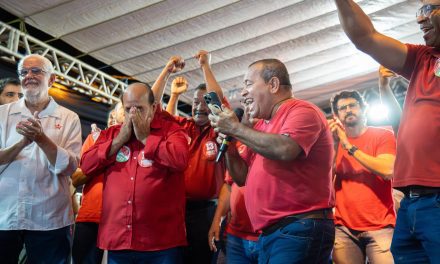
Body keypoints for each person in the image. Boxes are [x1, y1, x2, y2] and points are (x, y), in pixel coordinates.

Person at [334, 1, 440, 262]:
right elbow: (365, 38)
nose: (420, 20)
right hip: (411, 203)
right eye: (419, 12)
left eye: (429, 10)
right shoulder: (423, 59)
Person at [209, 59, 335, 263]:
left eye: (248, 84)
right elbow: (242, 178)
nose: (242, 93)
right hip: (272, 233)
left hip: (298, 227)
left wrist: (235, 128)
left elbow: (286, 149)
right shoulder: (261, 127)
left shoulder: (302, 111)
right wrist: (231, 148)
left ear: (273, 85)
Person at [80, 82, 189, 264]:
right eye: (129, 108)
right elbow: (86, 165)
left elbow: (180, 160)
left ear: (153, 108)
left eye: (139, 108)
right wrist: (119, 140)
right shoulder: (112, 133)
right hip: (119, 240)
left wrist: (146, 138)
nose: (133, 114)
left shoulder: (171, 131)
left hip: (161, 242)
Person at [0, 54, 82, 263]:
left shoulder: (69, 118)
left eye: (36, 71)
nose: (29, 76)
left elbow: (71, 167)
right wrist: (21, 144)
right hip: (5, 214)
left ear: (52, 79)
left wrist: (41, 139)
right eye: (24, 72)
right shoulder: (2, 114)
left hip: (50, 218)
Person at [154, 50, 228, 264]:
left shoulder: (217, 130)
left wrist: (205, 66)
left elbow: (218, 102)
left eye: (204, 102)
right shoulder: (183, 127)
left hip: (206, 212)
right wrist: (167, 72)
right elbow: (153, 108)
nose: (199, 106)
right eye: (195, 102)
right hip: (175, 210)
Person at [328, 90, 396, 264]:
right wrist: (335, 146)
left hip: (381, 226)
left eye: (353, 105)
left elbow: (387, 170)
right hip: (343, 228)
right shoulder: (333, 143)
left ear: (363, 109)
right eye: (342, 108)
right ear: (336, 115)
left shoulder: (383, 135)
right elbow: (324, 184)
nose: (348, 110)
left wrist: (348, 146)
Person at [71, 102, 125, 264]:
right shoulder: (94, 139)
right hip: (91, 217)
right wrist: (103, 154)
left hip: (124, 222)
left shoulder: (140, 142)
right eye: (124, 107)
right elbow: (77, 178)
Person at [209, 102, 260, 264]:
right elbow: (229, 184)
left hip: (266, 235)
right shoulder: (237, 143)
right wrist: (217, 220)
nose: (251, 110)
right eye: (248, 107)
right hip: (236, 235)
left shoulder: (272, 143)